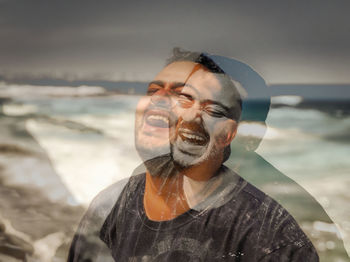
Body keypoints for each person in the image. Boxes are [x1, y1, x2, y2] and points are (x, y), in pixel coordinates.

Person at [68, 49, 320, 261]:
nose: (158, 99)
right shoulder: (109, 206)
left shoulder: (270, 238)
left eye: (184, 96)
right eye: (152, 90)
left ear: (225, 134)